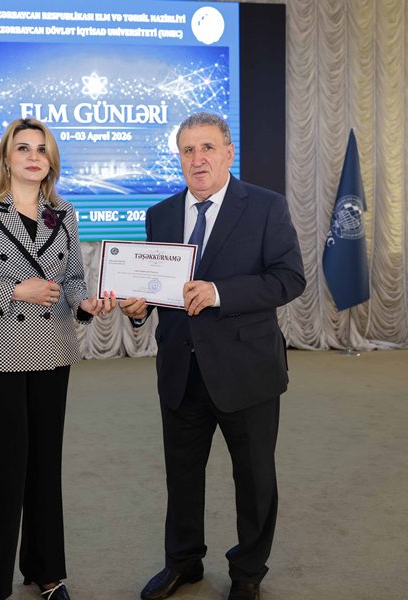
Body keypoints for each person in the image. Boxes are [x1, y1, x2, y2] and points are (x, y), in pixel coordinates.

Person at [119, 112, 305, 600]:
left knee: (255, 479)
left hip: (247, 371)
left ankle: (248, 572)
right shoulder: (160, 214)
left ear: (228, 153)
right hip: (181, 370)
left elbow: (289, 278)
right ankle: (183, 563)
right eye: (188, 150)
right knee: (182, 476)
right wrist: (139, 309)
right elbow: (156, 289)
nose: (197, 159)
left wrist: (220, 293)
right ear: (178, 158)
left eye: (207, 148)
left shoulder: (266, 206)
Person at [0, 118, 115, 600]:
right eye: (23, 148)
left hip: (53, 350)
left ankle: (46, 571)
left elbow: (73, 279)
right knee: (4, 469)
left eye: (42, 149)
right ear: (6, 158)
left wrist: (86, 303)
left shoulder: (64, 212)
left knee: (44, 466)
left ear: (51, 160)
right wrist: (17, 291)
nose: (33, 156)